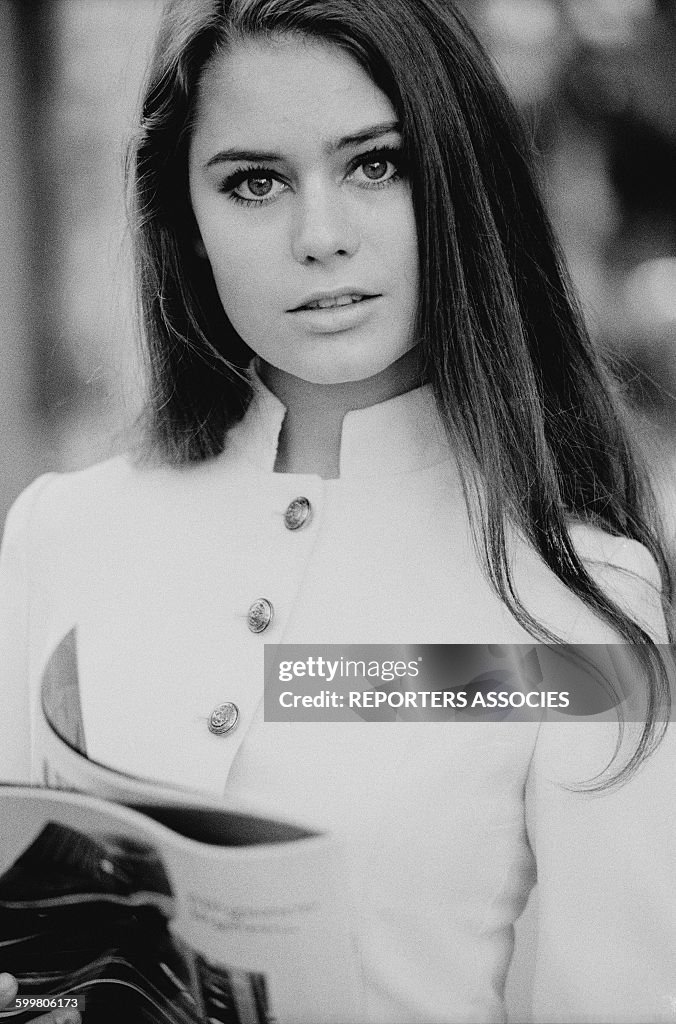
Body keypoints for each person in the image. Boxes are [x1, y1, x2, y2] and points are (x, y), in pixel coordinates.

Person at [0, 0, 674, 1021]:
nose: (320, 237)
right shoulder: (65, 535)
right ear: (184, 217)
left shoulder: (577, 599)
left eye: (374, 165)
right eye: (254, 182)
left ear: (458, 176)